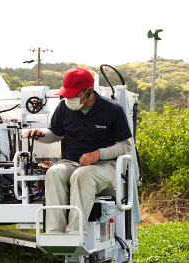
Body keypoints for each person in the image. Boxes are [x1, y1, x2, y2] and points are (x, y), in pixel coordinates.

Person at [23, 67, 132, 239]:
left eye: (74, 94)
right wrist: (39, 135)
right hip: (73, 163)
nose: (69, 98)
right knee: (54, 172)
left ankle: (75, 234)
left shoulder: (112, 110)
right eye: (67, 94)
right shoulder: (64, 108)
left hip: (105, 166)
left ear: (89, 91)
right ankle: (54, 234)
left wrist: (98, 154)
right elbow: (55, 134)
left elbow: (126, 145)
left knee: (82, 175)